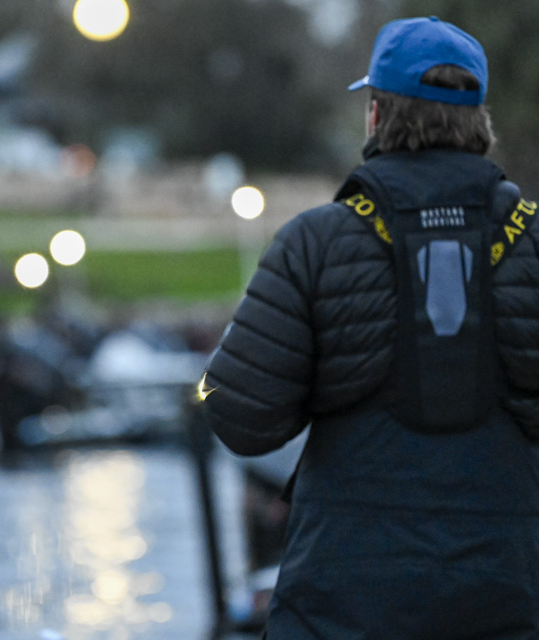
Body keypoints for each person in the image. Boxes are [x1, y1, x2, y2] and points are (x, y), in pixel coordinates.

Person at [198, 16, 539, 639]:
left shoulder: (315, 243)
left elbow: (236, 415)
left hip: (344, 601)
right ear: (479, 121)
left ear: (377, 115)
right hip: (511, 592)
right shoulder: (533, 241)